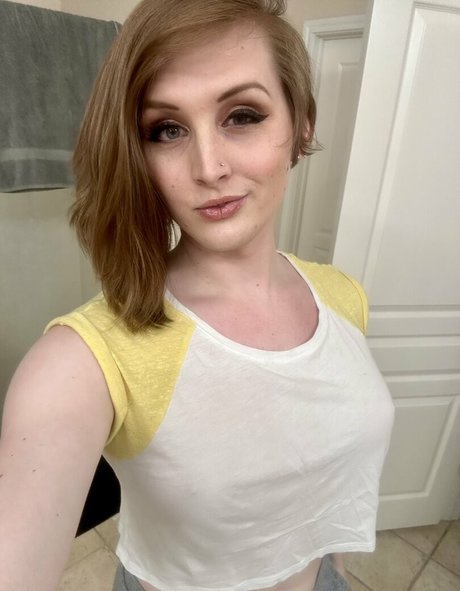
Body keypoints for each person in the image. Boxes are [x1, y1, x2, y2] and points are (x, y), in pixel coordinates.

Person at [0, 1, 395, 590]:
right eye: (167, 130)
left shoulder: (343, 297)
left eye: (242, 115)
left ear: (302, 125)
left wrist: (331, 567)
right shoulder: (82, 361)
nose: (208, 167)